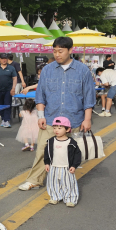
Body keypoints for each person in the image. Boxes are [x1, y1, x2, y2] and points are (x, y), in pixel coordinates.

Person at [18, 36, 95, 192]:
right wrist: (40, 116)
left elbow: (89, 97)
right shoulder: (47, 70)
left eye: (61, 51)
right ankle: (34, 180)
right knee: (42, 150)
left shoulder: (82, 71)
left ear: (70, 50)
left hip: (74, 119)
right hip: (51, 119)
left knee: (69, 153)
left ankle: (65, 181)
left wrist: (87, 119)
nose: (57, 54)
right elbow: (41, 95)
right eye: (55, 51)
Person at [44, 116, 82, 207]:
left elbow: (77, 155)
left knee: (69, 184)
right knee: (53, 183)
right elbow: (47, 153)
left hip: (67, 167)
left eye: (60, 128)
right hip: (54, 166)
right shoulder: (51, 141)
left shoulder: (71, 142)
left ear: (67, 129)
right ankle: (55, 197)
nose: (56, 130)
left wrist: (74, 165)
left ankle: (70, 199)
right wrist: (47, 163)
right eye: (54, 128)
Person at [0, 53, 17, 128]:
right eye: (2, 58)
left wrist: (13, 88)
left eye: (5, 58)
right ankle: (3, 119)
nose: (4, 60)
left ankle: (7, 120)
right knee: (0, 105)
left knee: (7, 105)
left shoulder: (11, 68)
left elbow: (15, 78)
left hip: (8, 90)